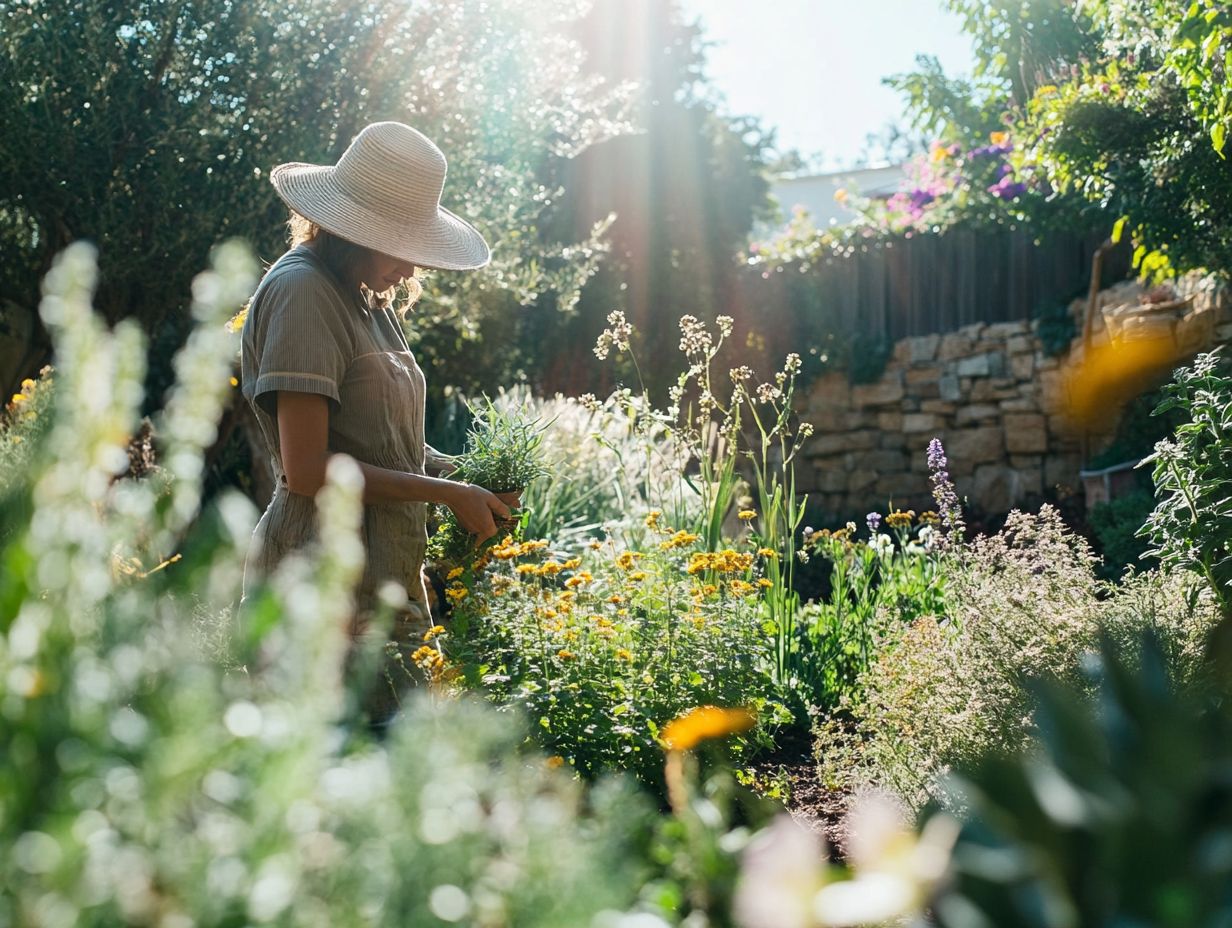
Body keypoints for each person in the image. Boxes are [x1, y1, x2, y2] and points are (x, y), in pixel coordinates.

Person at [239, 121, 514, 722]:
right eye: (403, 245)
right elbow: (308, 470)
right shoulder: (304, 293)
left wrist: (467, 477)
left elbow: (389, 443)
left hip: (384, 584)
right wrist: (446, 494)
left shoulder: (364, 294)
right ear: (355, 229)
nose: (413, 268)